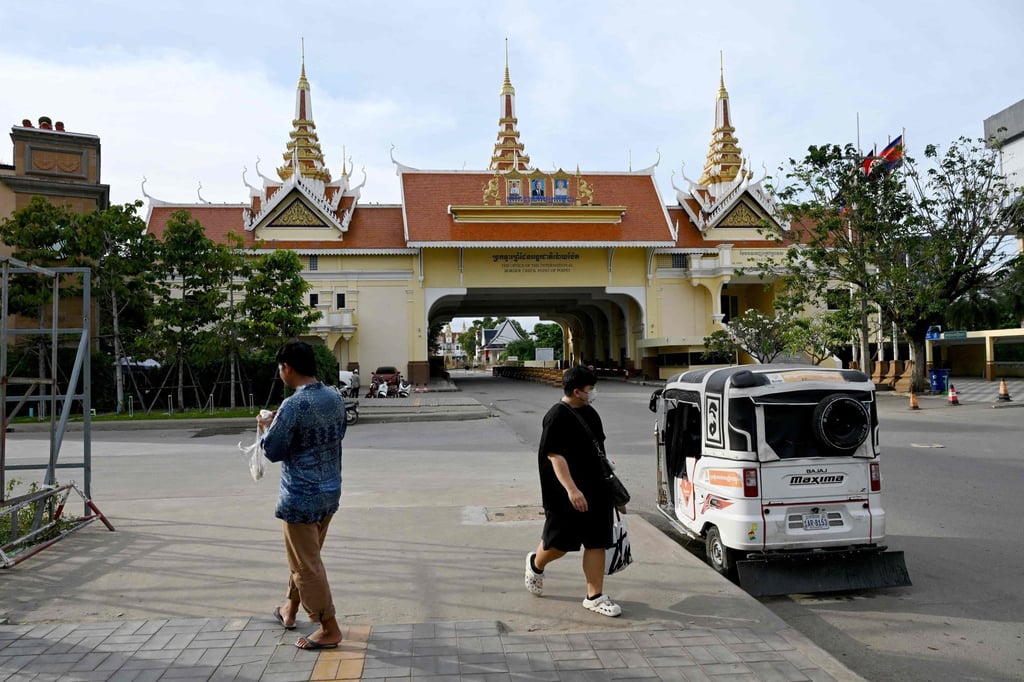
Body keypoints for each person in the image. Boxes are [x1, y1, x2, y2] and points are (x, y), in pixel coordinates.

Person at [258, 340, 348, 650]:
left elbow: (272, 450)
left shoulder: (293, 405)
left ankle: (329, 627)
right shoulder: (335, 398)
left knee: (305, 566)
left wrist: (266, 426)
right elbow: (338, 433)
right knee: (306, 559)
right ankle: (289, 609)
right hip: (329, 493)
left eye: (279, 368)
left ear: (288, 368)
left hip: (299, 499)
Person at [524, 366, 621, 617]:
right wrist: (572, 489)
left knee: (597, 541)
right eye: (590, 389)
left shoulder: (590, 413)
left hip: (596, 488)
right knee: (560, 544)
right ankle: (536, 564)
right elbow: (555, 456)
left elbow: (598, 448)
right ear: (577, 391)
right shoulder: (557, 416)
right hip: (565, 492)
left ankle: (595, 596)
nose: (594, 393)